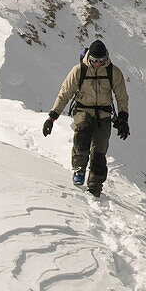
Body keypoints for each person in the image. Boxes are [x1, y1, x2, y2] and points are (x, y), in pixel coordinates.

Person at [42, 39, 130, 198]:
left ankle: (95, 185)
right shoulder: (79, 70)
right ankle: (79, 168)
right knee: (82, 132)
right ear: (89, 58)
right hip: (83, 109)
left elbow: (122, 96)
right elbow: (65, 93)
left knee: (99, 150)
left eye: (101, 61)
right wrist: (52, 117)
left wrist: (123, 119)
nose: (97, 64)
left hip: (103, 114)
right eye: (95, 61)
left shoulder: (112, 72)